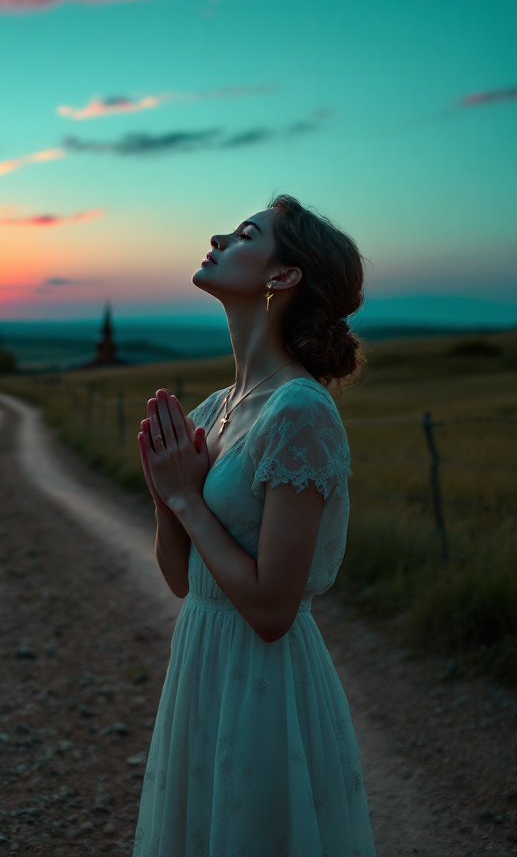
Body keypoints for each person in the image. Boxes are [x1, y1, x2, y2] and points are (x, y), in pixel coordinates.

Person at [134, 195, 375, 857]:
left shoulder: (301, 412)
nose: (217, 236)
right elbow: (179, 579)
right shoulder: (218, 405)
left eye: (244, 234)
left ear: (282, 277)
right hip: (203, 655)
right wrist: (166, 496)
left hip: (263, 675)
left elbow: (272, 609)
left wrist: (187, 499)